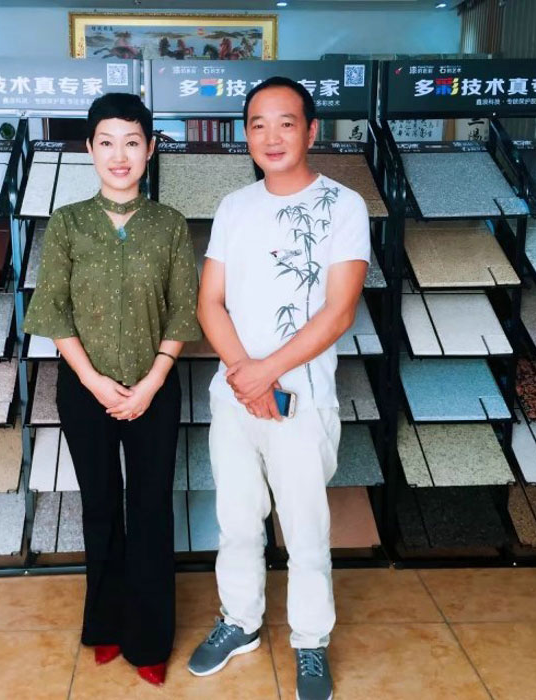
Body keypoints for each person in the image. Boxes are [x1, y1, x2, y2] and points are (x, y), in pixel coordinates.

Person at [188, 77, 370, 700]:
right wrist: (246, 373)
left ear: (311, 131)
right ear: (245, 134)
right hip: (235, 397)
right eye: (257, 124)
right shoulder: (234, 207)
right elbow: (209, 303)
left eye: (285, 123)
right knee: (237, 520)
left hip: (303, 401)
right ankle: (240, 621)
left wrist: (266, 372)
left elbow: (339, 313)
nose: (271, 136)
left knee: (305, 529)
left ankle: (310, 642)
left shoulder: (343, 205)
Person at [24, 92, 201, 686]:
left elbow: (182, 310)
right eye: (106, 142)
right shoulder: (68, 222)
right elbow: (52, 310)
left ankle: (149, 638)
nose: (119, 155)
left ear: (150, 149)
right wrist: (95, 381)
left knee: (150, 509)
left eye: (131, 142)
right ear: (89, 149)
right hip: (85, 390)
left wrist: (151, 381)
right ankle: (104, 624)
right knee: (100, 507)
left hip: (155, 388)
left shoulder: (169, 224)